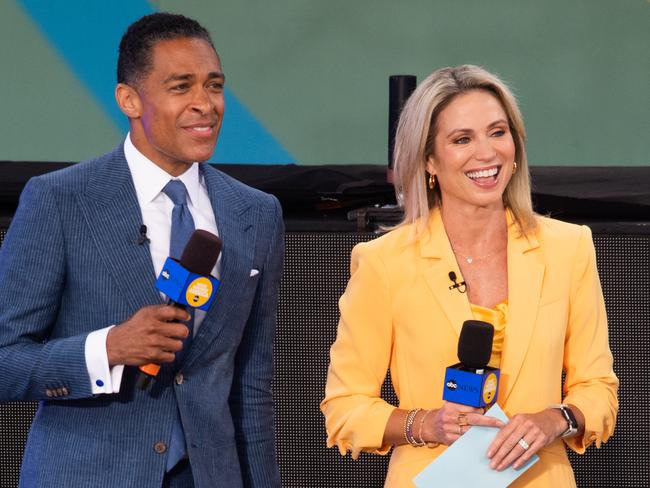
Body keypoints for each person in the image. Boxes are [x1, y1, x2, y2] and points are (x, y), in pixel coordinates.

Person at [0, 13, 283, 488]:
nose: (205, 105)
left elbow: (251, 385)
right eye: (181, 87)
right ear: (129, 99)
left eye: (214, 86)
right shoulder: (60, 200)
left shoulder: (256, 212)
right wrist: (108, 348)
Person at [321, 65, 618, 487]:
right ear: (429, 160)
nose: (486, 153)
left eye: (497, 132)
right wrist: (425, 424)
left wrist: (556, 419)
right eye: (462, 139)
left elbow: (599, 388)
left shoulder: (568, 248)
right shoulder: (384, 261)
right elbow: (344, 407)